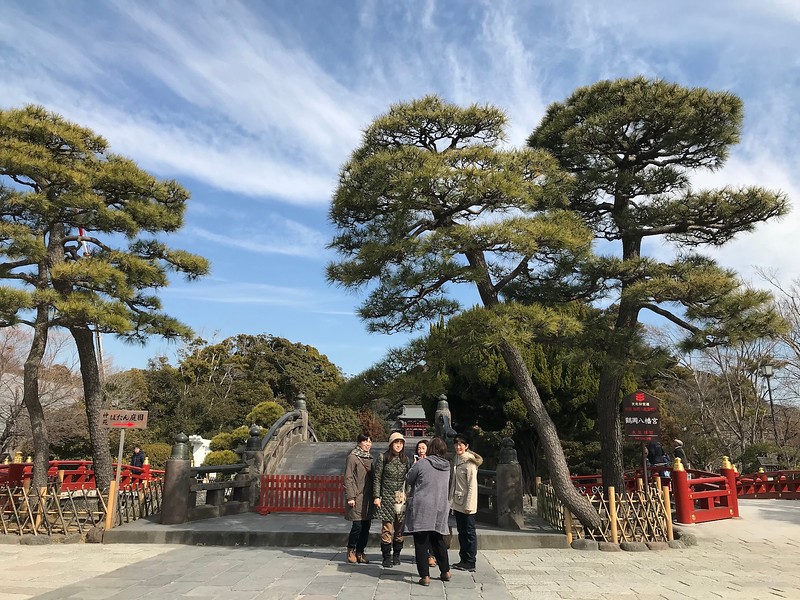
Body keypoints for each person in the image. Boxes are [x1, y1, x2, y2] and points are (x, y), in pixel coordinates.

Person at [404, 436, 451, 586]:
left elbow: (409, 479)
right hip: (440, 506)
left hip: (423, 506)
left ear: (430, 449)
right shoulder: (447, 465)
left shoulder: (423, 463)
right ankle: (445, 572)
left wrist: (415, 465)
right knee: (438, 539)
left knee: (421, 541)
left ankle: (425, 576)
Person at [373, 432, 410, 567]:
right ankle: (386, 557)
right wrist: (376, 496)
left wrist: (409, 494)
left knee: (399, 528)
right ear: (391, 444)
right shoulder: (383, 458)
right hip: (386, 496)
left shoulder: (406, 459)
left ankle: (397, 555)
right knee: (387, 528)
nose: (398, 445)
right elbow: (377, 478)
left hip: (400, 497)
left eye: (401, 443)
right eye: (396, 442)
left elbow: (409, 479)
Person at [450, 432, 482, 572]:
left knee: (469, 532)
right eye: (456, 444)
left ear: (467, 446)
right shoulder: (456, 459)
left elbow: (472, 486)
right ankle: (463, 559)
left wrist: (469, 505)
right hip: (458, 501)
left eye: (461, 444)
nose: (458, 447)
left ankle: (470, 561)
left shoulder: (470, 462)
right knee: (461, 531)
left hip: (467, 503)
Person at [344, 433, 374, 564]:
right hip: (357, 496)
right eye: (365, 441)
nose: (368, 444)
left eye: (370, 441)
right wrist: (350, 496)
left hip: (368, 498)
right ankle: (351, 549)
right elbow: (348, 477)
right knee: (357, 526)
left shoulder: (371, 458)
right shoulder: (352, 457)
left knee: (366, 526)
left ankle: (360, 551)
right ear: (359, 442)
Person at [414, 439, 437, 568]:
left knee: (432, 530)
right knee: (422, 530)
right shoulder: (416, 463)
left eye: (423, 448)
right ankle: (425, 555)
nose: (421, 451)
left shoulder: (434, 463)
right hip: (420, 501)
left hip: (432, 500)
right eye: (419, 448)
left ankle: (431, 555)